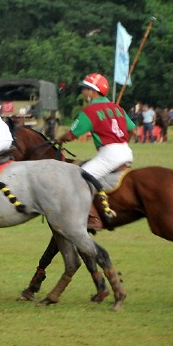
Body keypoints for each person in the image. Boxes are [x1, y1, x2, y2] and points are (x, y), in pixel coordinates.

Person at [57, 73, 135, 230]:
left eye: (85, 88)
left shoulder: (90, 110)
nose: (83, 92)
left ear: (93, 91)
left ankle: (92, 217)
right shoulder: (117, 107)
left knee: (77, 179)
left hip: (109, 154)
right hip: (126, 151)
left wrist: (59, 139)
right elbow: (133, 129)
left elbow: (72, 134)